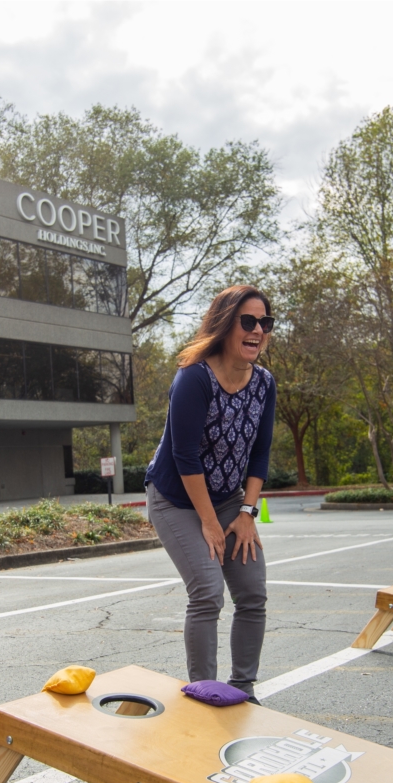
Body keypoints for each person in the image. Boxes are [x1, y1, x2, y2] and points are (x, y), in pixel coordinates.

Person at [145, 286, 276, 702]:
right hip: (175, 500)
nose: (258, 330)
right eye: (248, 321)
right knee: (206, 591)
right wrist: (207, 521)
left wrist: (246, 513)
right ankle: (205, 692)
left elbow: (260, 453)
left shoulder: (265, 384)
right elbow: (184, 457)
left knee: (252, 592)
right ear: (225, 324)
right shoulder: (194, 377)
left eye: (265, 323)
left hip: (228, 500)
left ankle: (243, 688)